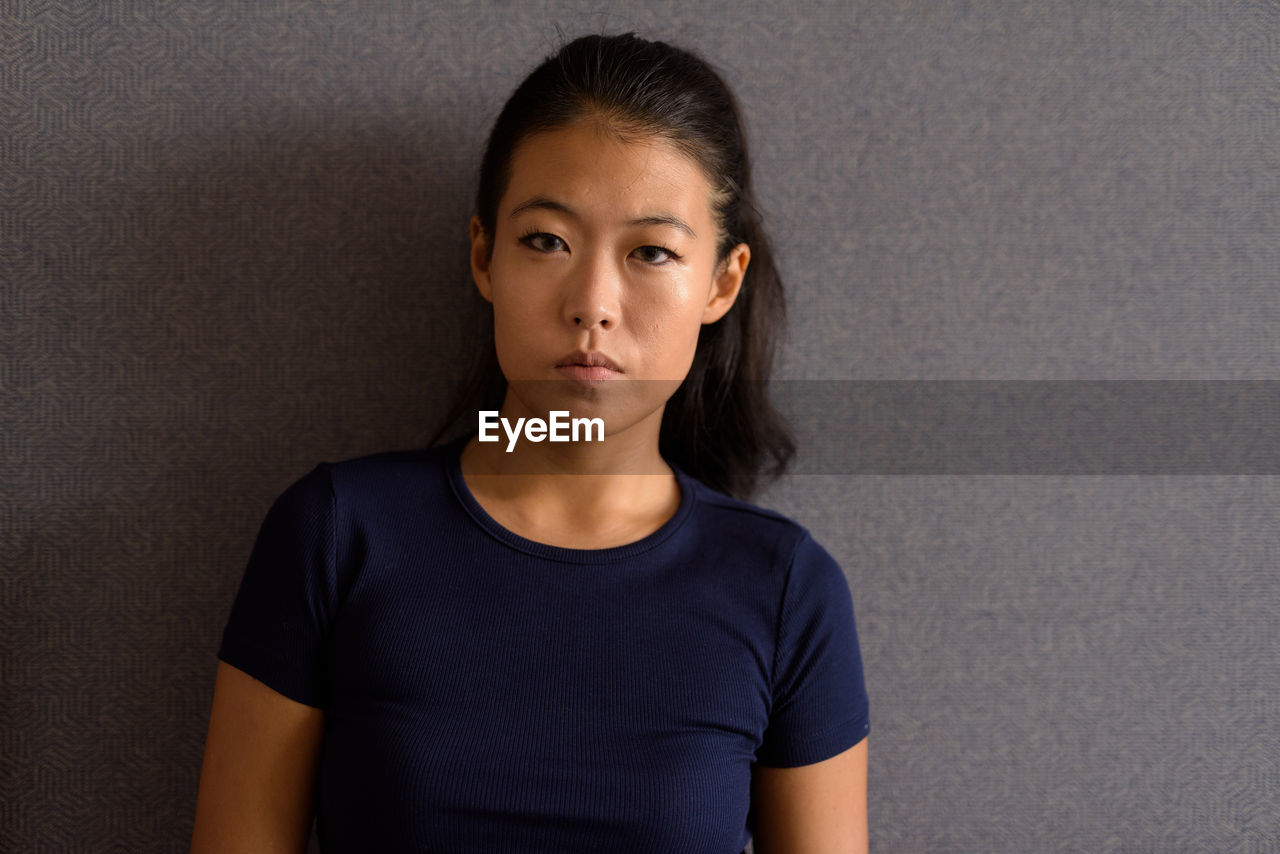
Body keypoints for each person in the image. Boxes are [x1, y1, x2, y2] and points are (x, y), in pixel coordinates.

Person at [190, 32, 869, 854]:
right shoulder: (338, 534)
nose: (592, 303)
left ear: (721, 283)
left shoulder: (786, 592)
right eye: (547, 241)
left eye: (651, 252)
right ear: (484, 255)